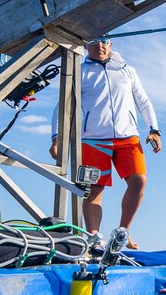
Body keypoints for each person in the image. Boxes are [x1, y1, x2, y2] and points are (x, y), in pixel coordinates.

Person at [50, 36, 160, 250]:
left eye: (104, 41)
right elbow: (62, 106)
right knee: (94, 189)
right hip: (93, 140)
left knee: (139, 181)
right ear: (85, 45)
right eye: (93, 41)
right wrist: (56, 137)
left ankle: (123, 232)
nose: (99, 45)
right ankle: (93, 237)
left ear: (111, 44)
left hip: (128, 137)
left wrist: (154, 129)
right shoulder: (79, 71)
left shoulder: (127, 70)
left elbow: (143, 101)